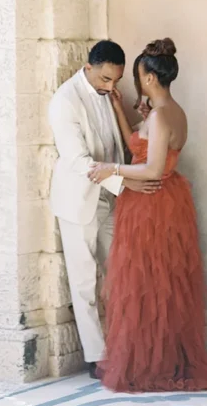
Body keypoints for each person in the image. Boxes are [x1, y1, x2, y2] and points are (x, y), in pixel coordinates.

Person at [88, 38, 207, 392]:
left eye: (138, 77)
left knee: (148, 285)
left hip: (152, 204)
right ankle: (152, 360)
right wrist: (121, 110)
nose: (137, 83)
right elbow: (139, 143)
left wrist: (110, 168)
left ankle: (150, 365)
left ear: (149, 78)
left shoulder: (164, 115)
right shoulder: (168, 111)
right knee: (152, 283)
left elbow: (150, 169)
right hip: (158, 201)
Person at [49, 41, 161, 379]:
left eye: (116, 80)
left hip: (110, 199)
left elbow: (116, 147)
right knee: (84, 282)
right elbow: (78, 160)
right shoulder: (65, 101)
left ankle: (127, 346)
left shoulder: (108, 95)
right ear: (90, 66)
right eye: (106, 79)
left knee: (121, 273)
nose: (112, 87)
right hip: (78, 200)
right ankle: (97, 358)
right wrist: (125, 182)